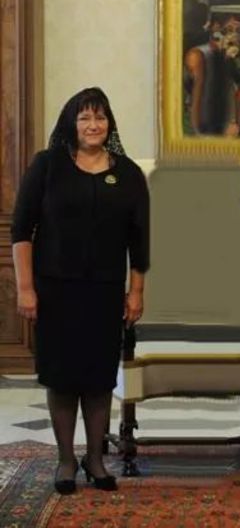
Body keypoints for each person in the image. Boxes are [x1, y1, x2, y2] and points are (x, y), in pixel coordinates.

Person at [11, 87, 149, 495]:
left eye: (100, 117)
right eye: (85, 117)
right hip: (55, 290)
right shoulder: (47, 165)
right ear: (71, 123)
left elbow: (139, 239)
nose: (93, 125)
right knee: (62, 377)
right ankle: (66, 460)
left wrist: (136, 291)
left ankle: (95, 459)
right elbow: (21, 230)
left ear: (110, 123)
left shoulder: (127, 173)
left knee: (99, 378)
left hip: (105, 292)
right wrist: (25, 288)